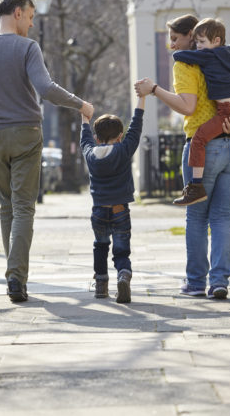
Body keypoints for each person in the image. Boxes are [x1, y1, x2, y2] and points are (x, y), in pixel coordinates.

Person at [0, 0, 94, 303]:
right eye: (31, 17)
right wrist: (81, 105)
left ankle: (13, 276)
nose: (32, 25)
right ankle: (16, 279)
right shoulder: (27, 48)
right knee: (23, 208)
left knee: (6, 206)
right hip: (26, 133)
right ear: (17, 12)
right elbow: (45, 88)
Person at [135, 13, 230, 300]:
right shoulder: (224, 59)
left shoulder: (186, 63)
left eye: (175, 39)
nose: (171, 46)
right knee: (223, 217)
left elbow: (188, 107)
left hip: (206, 149)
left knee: (197, 216)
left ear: (192, 35)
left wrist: (154, 90)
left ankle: (194, 283)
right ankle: (219, 282)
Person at [172, 17, 230, 206]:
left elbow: (180, 57)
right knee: (223, 215)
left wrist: (154, 89)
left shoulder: (208, 56)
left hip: (226, 110)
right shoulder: (229, 54)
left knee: (199, 139)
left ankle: (195, 186)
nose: (199, 46)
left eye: (201, 42)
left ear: (216, 41)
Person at [80, 94, 145, 304]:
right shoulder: (124, 150)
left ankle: (100, 285)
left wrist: (85, 118)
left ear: (98, 138)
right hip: (120, 210)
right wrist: (141, 100)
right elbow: (136, 130)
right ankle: (124, 274)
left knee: (100, 246)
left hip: (98, 210)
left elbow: (85, 140)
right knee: (121, 250)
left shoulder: (90, 154)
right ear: (120, 136)